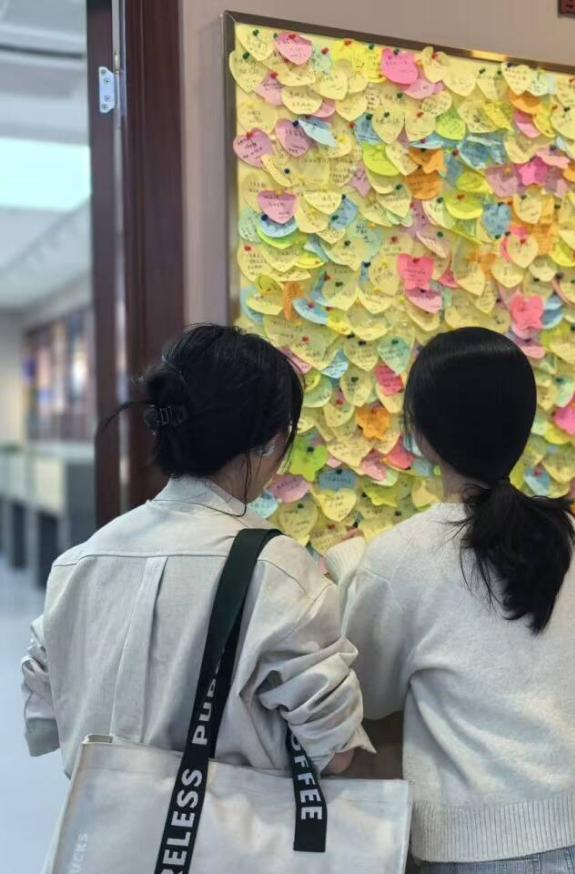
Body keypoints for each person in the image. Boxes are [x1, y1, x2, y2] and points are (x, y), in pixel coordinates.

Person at [330, 327, 575, 872]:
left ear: (423, 434)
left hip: (480, 847)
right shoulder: (571, 535)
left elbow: (365, 696)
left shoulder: (401, 557)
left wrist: (349, 569)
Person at [21, 324, 370, 779]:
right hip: (229, 825)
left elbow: (43, 716)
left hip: (98, 821)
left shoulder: (78, 562)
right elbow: (335, 750)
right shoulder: (276, 569)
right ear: (268, 441)